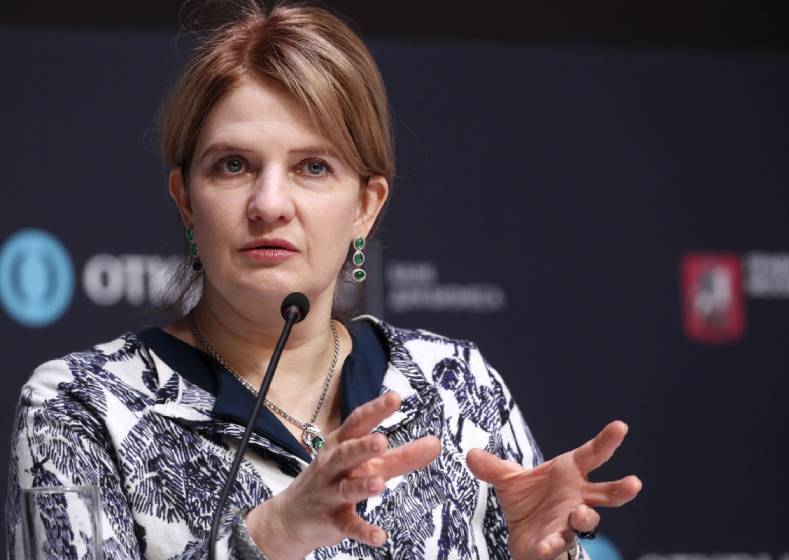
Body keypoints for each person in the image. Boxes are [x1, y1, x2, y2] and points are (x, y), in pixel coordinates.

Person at [6, 2, 642, 558]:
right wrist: (271, 536)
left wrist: (543, 557)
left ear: (365, 207)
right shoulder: (80, 407)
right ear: (185, 200)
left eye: (312, 167)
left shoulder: (458, 387)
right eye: (233, 165)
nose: (269, 203)